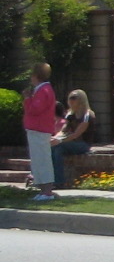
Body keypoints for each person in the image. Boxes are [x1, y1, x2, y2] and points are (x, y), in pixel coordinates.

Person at [23, 63, 59, 201]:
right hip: (37, 130)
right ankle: (43, 190)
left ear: (36, 76)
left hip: (39, 130)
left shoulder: (43, 90)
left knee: (42, 160)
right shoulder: (43, 89)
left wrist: (27, 99)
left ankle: (47, 192)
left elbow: (35, 110)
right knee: (38, 161)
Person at [52, 90, 96, 187]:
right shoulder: (70, 115)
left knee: (58, 146)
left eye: (74, 98)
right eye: (69, 98)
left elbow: (76, 134)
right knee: (56, 149)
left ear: (81, 100)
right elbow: (64, 131)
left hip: (83, 145)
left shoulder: (87, 115)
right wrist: (54, 138)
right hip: (70, 144)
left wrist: (59, 141)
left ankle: (58, 181)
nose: (71, 100)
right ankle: (54, 181)